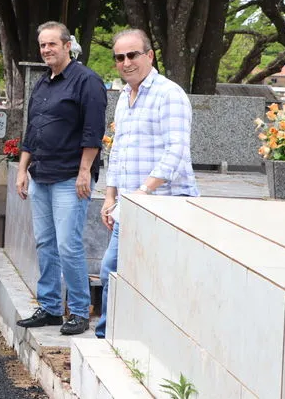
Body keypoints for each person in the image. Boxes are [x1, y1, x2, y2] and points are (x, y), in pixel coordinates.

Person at [95, 29, 199, 339]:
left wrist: (143, 191)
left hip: (167, 203)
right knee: (112, 270)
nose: (126, 62)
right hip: (129, 206)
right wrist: (110, 196)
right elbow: (119, 151)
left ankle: (129, 339)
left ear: (149, 56)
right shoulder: (124, 99)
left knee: (156, 278)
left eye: (132, 55)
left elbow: (177, 150)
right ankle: (108, 337)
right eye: (120, 57)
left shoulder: (170, 94)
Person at [15, 21, 107, 336]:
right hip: (40, 174)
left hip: (71, 176)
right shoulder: (41, 85)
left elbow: (94, 131)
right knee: (45, 243)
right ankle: (51, 308)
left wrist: (85, 171)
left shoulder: (87, 81)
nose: (46, 50)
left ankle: (80, 311)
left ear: (68, 45)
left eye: (52, 44)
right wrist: (21, 169)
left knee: (69, 245)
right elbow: (32, 130)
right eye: (42, 45)